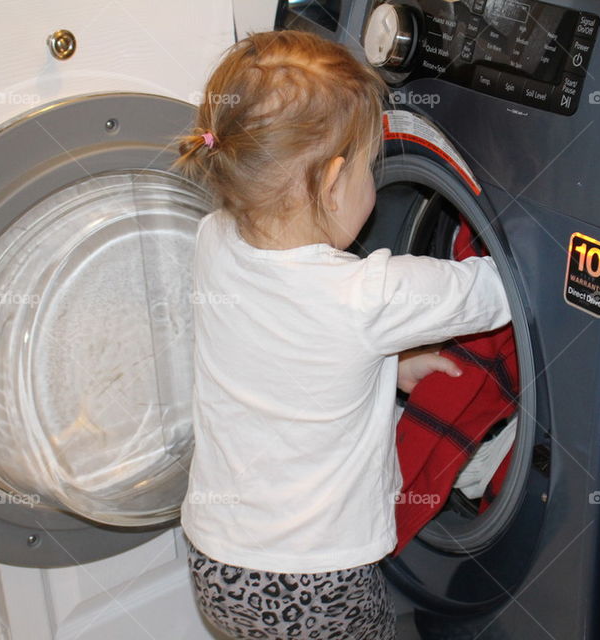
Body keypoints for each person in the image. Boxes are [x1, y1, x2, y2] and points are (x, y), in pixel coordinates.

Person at [174, 30, 512, 640]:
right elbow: (493, 288)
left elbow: (286, 349)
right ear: (333, 182)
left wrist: (391, 366)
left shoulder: (214, 241)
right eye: (368, 165)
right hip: (318, 584)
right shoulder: (368, 295)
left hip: (214, 558)